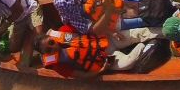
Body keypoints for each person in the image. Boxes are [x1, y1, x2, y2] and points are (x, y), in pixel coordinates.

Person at [35, 24, 164, 76]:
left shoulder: (64, 31)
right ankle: (147, 45)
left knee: (140, 33)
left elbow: (90, 26)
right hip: (106, 59)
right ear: (46, 54)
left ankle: (167, 33)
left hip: (107, 39)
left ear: (51, 38)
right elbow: (80, 76)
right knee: (128, 63)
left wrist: (111, 32)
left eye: (51, 43)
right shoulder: (58, 65)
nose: (53, 48)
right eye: (48, 50)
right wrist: (102, 70)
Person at [52, 0, 148, 36]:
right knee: (146, 19)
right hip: (117, 21)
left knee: (145, 2)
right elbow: (93, 31)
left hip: (117, 0)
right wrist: (107, 13)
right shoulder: (73, 18)